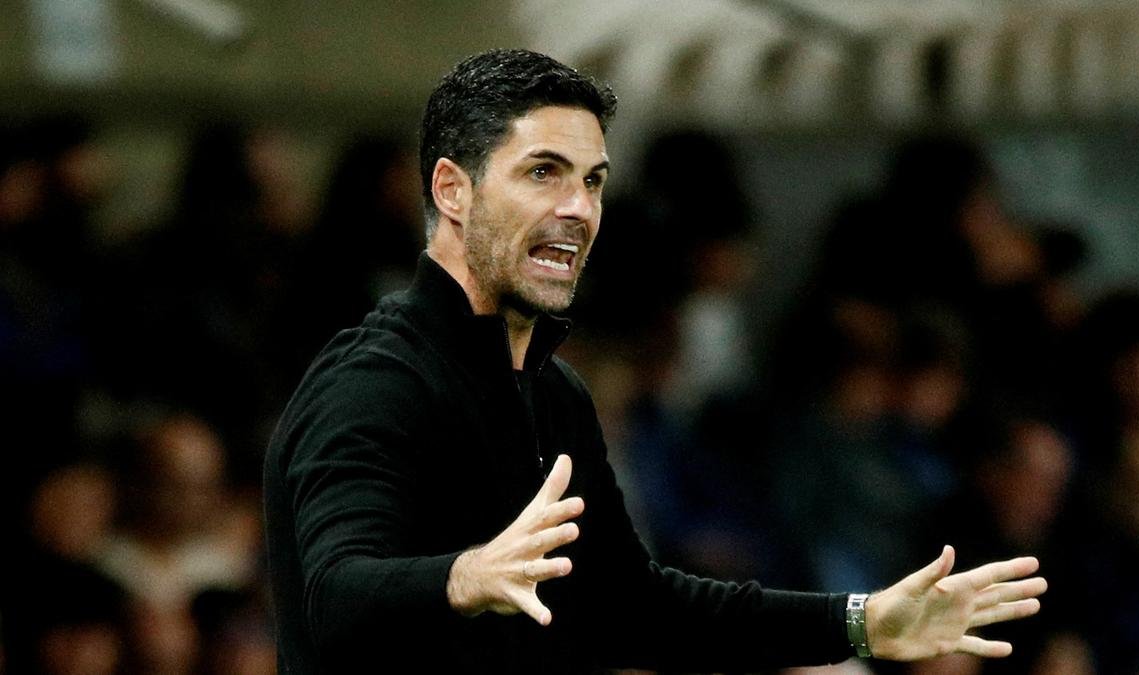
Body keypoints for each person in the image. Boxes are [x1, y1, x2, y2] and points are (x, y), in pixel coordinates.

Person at [263, 48, 1047, 674]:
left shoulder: (553, 394)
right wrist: (464, 575)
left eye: (592, 182)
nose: (578, 208)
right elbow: (333, 591)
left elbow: (637, 607)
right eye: (543, 172)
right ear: (452, 190)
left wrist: (859, 620)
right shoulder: (373, 383)